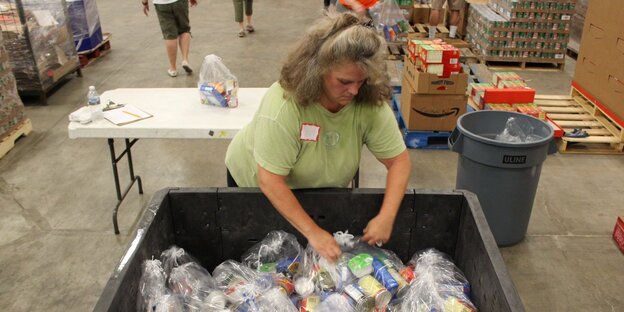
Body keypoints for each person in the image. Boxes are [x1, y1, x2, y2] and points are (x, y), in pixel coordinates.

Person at [225, 13, 411, 261]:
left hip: (318, 188)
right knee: (267, 255)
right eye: (344, 81)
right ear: (318, 70)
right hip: (258, 184)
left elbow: (398, 161)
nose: (354, 90)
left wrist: (386, 216)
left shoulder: (368, 101)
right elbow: (270, 180)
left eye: (361, 81)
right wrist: (313, 232)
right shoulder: (285, 105)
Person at [142, 0, 197, 77]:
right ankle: (185, 60)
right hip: (179, 2)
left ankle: (173, 69)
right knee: (184, 30)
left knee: (169, 35)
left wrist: (145, 3)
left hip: (161, 4)